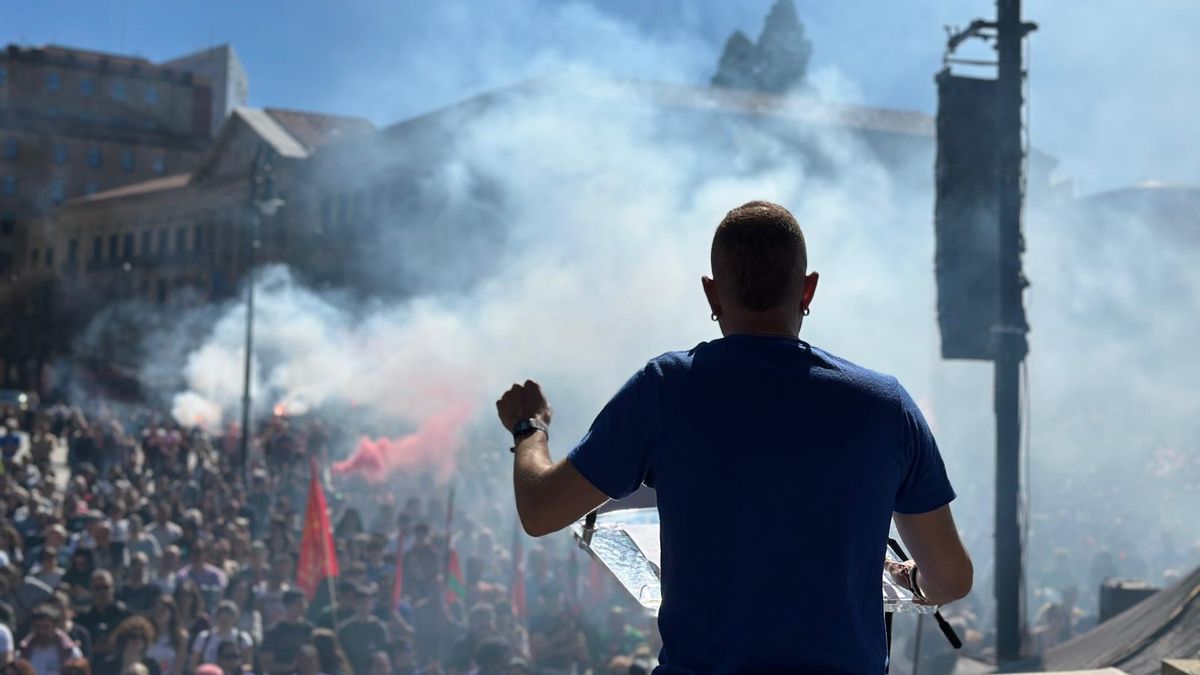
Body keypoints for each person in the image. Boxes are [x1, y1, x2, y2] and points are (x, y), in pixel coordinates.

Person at [496, 201, 973, 673]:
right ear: (808, 290)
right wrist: (912, 581)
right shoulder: (887, 406)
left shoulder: (667, 389)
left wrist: (529, 428)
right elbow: (950, 578)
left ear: (712, 294)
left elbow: (541, 510)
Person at [76, 571, 131, 661]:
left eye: (106, 587)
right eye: (97, 588)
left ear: (112, 589)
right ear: (91, 590)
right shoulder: (82, 618)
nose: (102, 592)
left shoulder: (123, 615)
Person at [335, 583, 389, 675]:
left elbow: (384, 654)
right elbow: (341, 656)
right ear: (354, 604)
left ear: (372, 604)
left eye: (366, 603)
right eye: (360, 603)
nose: (363, 607)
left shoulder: (379, 628)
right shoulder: (344, 629)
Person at [16, 606, 83, 675]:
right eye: (38, 627)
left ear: (55, 626)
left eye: (46, 627)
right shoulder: (23, 652)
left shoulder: (70, 652)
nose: (42, 631)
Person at [188, 601, 252, 671]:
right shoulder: (204, 637)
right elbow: (193, 665)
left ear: (235, 618)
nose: (225, 623)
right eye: (222, 620)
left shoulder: (243, 638)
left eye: (228, 619)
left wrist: (235, 667)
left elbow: (249, 665)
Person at [260, 591, 311, 675]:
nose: (304, 607)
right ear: (288, 606)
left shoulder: (309, 630)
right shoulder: (274, 632)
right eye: (299, 604)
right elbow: (266, 664)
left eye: (305, 603)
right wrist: (290, 667)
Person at [94, 616, 161, 675]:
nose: (138, 640)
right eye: (133, 636)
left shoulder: (152, 666)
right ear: (124, 639)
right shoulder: (108, 665)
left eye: (142, 637)